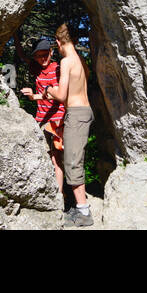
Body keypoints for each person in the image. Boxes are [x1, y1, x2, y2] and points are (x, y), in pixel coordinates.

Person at [43, 23, 93, 227]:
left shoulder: (66, 62)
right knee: (73, 158)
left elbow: (62, 95)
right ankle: (80, 207)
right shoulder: (79, 60)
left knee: (72, 161)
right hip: (85, 111)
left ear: (58, 42)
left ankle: (83, 212)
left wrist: (49, 89)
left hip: (76, 113)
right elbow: (83, 80)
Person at [20, 38, 65, 198]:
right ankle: (48, 194)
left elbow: (59, 96)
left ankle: (59, 197)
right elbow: (22, 56)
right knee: (44, 157)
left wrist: (34, 97)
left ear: (51, 52)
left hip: (57, 120)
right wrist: (16, 37)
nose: (42, 58)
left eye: (45, 54)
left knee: (56, 158)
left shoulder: (57, 69)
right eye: (38, 55)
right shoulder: (37, 69)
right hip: (41, 120)